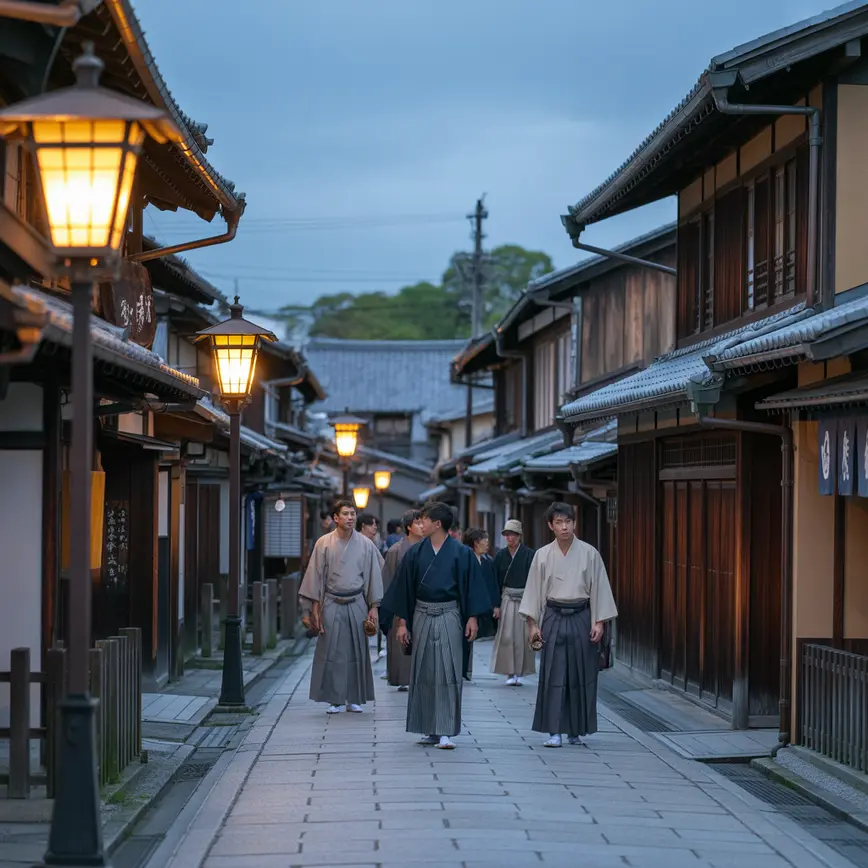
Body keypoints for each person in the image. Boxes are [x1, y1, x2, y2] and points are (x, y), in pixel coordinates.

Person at [385, 501, 492, 750]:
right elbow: (404, 590)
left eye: (424, 520)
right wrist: (402, 623)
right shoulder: (415, 553)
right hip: (421, 613)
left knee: (448, 670)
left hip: (449, 613)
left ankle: (445, 731)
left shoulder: (461, 553)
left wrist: (473, 617)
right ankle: (428, 728)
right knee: (423, 671)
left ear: (438, 524)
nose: (420, 524)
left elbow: (472, 587)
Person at [520, 502, 618, 748]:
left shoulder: (589, 553)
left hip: (582, 615)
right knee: (554, 672)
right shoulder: (542, 555)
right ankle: (554, 730)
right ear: (551, 526)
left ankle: (576, 728)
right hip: (553, 615)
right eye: (559, 522)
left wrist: (599, 622)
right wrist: (533, 625)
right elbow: (533, 591)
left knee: (581, 673)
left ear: (574, 523)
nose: (565, 527)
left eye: (568, 522)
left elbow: (599, 588)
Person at [299, 499, 383, 715]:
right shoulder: (323, 543)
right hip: (331, 601)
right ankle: (335, 699)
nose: (350, 517)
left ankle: (354, 697)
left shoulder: (365, 544)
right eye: (345, 514)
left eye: (353, 513)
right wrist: (312, 610)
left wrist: (374, 606)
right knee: (332, 650)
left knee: (357, 649)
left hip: (357, 601)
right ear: (335, 518)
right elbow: (315, 577)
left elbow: (375, 574)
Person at [379, 509, 424, 691]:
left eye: (423, 522)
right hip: (400, 604)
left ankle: (421, 679)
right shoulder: (395, 551)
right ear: (408, 527)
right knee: (401, 645)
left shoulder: (429, 548)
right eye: (418, 523)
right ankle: (403, 679)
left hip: (422, 603)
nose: (422, 526)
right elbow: (388, 581)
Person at [490, 519, 536, 686]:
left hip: (525, 598)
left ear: (519, 536)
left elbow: (534, 580)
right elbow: (494, 581)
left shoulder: (530, 555)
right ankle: (509, 672)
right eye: (506, 534)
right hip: (507, 598)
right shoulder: (501, 556)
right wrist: (495, 605)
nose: (509, 538)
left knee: (523, 637)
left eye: (512, 534)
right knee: (507, 636)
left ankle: (520, 671)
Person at [462, 528, 500, 643]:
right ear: (476, 542)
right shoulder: (465, 561)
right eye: (484, 540)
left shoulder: (487, 562)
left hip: (486, 609)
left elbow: (493, 585)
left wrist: (496, 605)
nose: (487, 543)